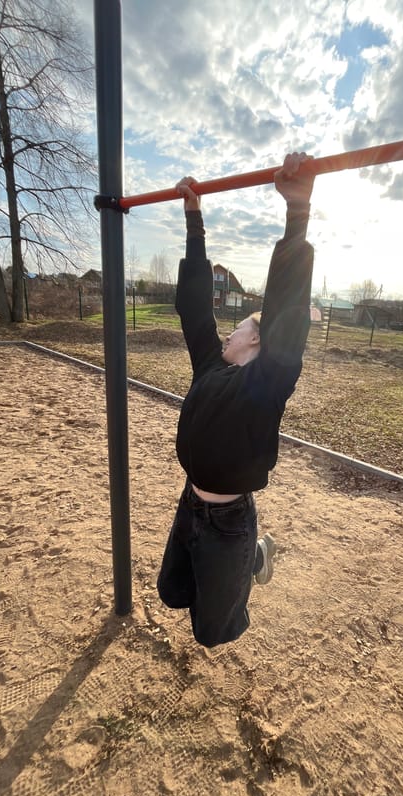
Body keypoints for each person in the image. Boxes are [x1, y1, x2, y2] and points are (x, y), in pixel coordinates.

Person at [157, 152, 315, 648]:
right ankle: (249, 560)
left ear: (257, 342)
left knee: (211, 632)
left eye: (240, 328)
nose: (228, 332)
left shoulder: (266, 384)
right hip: (191, 504)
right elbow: (195, 309)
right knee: (170, 592)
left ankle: (256, 557)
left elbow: (287, 311)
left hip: (228, 523)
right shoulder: (210, 364)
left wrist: (297, 213)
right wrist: (193, 221)